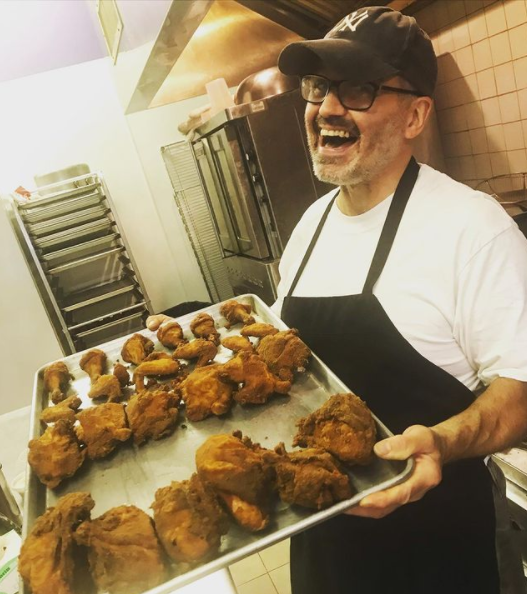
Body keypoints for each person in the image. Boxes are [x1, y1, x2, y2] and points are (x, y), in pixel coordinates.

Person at [146, 7, 527, 593]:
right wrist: (202, 351)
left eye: (358, 89)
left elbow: (520, 389)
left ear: (415, 115)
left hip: (434, 545)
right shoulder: (312, 223)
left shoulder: (472, 229)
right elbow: (290, 363)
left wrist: (441, 442)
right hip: (322, 538)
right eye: (318, 87)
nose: (325, 108)